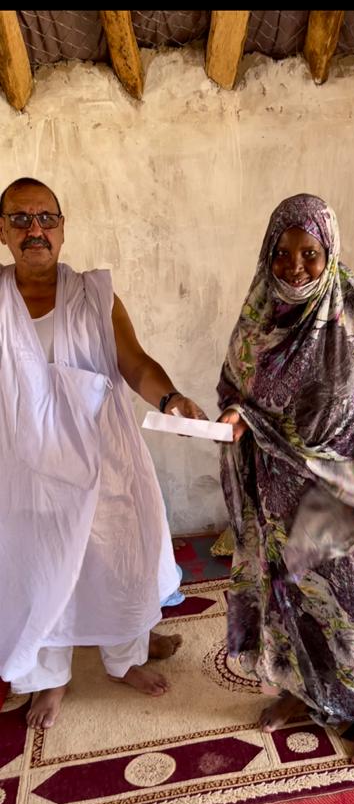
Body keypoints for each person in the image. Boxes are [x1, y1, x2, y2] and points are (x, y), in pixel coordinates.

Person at [0, 177, 207, 729]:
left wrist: (170, 398)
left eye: (46, 218)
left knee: (119, 557)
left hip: (102, 457)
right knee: (36, 567)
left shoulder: (95, 295)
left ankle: (125, 658)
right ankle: (50, 679)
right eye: (20, 219)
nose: (35, 229)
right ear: (2, 231)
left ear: (63, 228)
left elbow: (133, 361)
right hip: (24, 465)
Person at [217, 194, 354, 766]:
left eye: (310, 253)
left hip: (344, 490)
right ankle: (299, 692)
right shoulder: (261, 311)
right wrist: (236, 416)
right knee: (289, 600)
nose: (295, 266)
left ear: (329, 250)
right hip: (277, 490)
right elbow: (235, 387)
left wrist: (346, 460)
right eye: (282, 253)